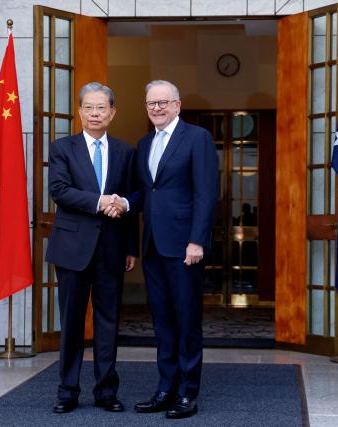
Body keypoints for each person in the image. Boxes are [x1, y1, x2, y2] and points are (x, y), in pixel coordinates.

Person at [46, 82, 137, 414]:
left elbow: (130, 202)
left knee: (108, 321)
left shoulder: (126, 152)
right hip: (72, 248)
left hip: (112, 248)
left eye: (102, 108)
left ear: (112, 113)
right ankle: (67, 390)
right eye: (89, 107)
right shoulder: (62, 148)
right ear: (80, 111)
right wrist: (101, 202)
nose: (95, 113)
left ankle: (106, 391)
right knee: (71, 322)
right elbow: (60, 191)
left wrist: (130, 247)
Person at [130, 80, 219, 419]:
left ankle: (187, 392)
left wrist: (197, 240)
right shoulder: (144, 143)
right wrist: (122, 203)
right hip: (153, 245)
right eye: (151, 103)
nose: (157, 108)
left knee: (186, 321)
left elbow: (206, 193)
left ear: (178, 105)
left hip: (185, 247)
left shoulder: (198, 138)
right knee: (163, 322)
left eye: (163, 102)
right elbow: (145, 193)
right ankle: (165, 388)